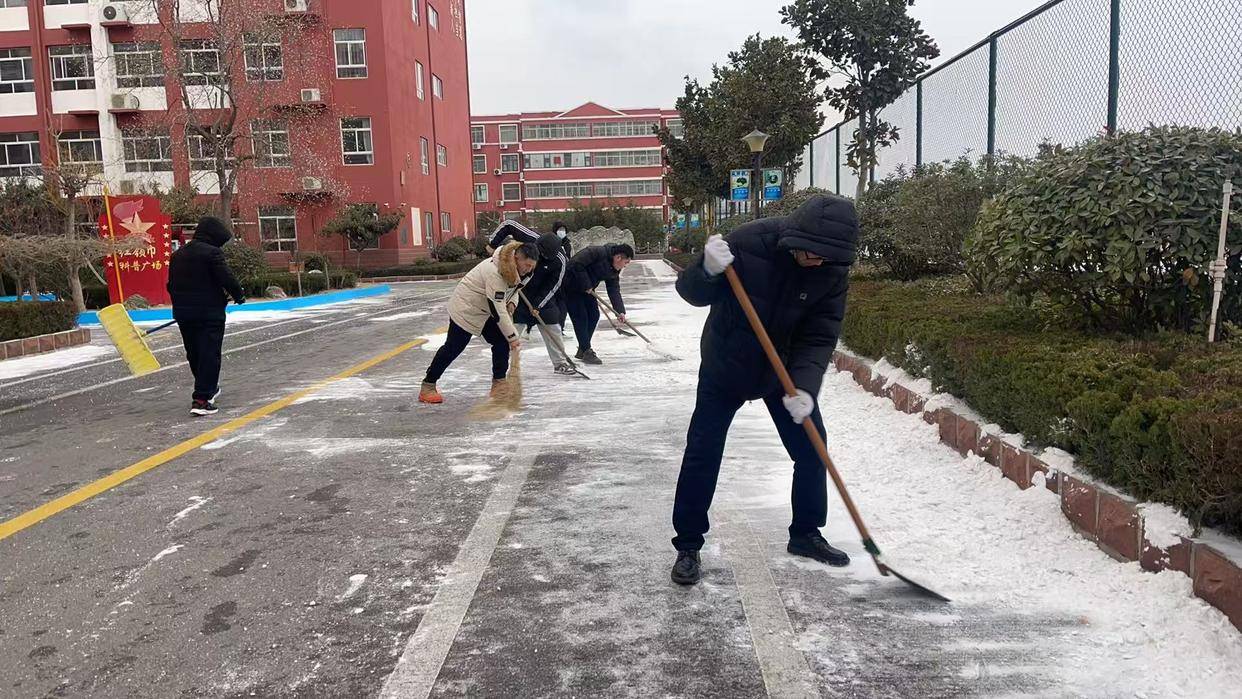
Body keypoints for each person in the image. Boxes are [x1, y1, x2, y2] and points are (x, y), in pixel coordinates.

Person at [668, 194, 860, 586]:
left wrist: (805, 388)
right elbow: (691, 293)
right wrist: (705, 269)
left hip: (782, 372)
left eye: (827, 257)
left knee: (812, 448)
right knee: (702, 453)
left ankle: (806, 533)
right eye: (811, 253)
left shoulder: (832, 270)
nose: (817, 261)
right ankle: (688, 545)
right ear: (795, 238)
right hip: (726, 366)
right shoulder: (749, 243)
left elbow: (819, 336)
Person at [420, 241, 539, 403]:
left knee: (501, 342)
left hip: (486, 308)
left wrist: (512, 302)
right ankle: (428, 385)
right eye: (527, 265)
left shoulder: (522, 271)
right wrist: (513, 336)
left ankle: (499, 384)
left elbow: (513, 290)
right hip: (467, 307)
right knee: (454, 347)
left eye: (532, 266)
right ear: (517, 257)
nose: (529, 269)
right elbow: (498, 310)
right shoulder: (495, 272)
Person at [166, 215, 246, 417]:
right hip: (209, 313)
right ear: (214, 236)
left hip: (184, 314)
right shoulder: (212, 254)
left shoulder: (177, 255)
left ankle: (208, 389)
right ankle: (202, 399)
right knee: (209, 353)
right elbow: (226, 278)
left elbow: (170, 285)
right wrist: (239, 295)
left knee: (194, 353)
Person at [488, 220, 577, 376]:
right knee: (511, 330)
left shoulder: (560, 261)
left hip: (543, 298)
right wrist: (493, 243)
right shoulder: (531, 238)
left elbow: (553, 286)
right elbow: (508, 224)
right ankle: (503, 366)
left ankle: (560, 363)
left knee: (553, 327)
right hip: (518, 291)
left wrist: (538, 306)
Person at [564, 243, 634, 365]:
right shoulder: (595, 252)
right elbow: (575, 264)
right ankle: (586, 350)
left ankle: (583, 348)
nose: (625, 266)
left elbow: (613, 290)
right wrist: (586, 284)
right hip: (570, 286)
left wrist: (620, 311)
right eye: (626, 262)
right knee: (581, 317)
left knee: (594, 315)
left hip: (588, 289)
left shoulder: (614, 269)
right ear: (618, 258)